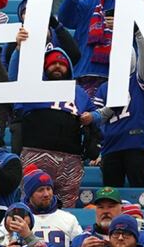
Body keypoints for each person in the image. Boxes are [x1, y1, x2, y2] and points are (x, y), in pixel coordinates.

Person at [18, 49, 96, 209]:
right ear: (44, 68)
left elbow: (97, 116)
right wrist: (19, 51)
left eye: (61, 64)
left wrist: (93, 116)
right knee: (29, 203)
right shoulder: (32, 88)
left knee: (66, 209)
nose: (57, 67)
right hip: (35, 153)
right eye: (52, 64)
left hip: (71, 159)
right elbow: (12, 80)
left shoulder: (80, 92)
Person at [57, 0, 128, 98]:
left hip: (113, 77)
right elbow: (66, 19)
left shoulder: (129, 5)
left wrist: (122, 26)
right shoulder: (89, 2)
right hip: (83, 73)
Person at [93, 30, 144, 187]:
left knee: (138, 191)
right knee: (111, 195)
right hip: (110, 147)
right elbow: (96, 120)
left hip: (134, 145)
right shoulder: (104, 88)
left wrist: (139, 34)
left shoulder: (138, 81)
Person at [20, 165, 81, 247]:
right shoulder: (18, 218)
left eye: (48, 189)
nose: (46, 194)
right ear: (29, 194)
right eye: (40, 190)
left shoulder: (69, 219)